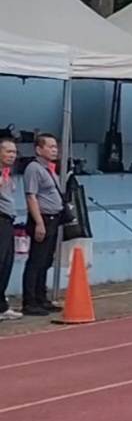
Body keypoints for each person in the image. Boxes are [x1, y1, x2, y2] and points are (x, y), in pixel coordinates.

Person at [22, 133, 64, 317]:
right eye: (50, 146)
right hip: (42, 218)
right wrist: (39, 222)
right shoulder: (34, 168)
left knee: (46, 260)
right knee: (36, 261)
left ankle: (41, 297)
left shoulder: (49, 168)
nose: (54, 150)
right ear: (39, 149)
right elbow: (31, 196)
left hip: (53, 218)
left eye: (55, 146)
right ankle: (30, 301)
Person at [0, 138, 21, 320]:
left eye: (14, 152)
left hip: (8, 221)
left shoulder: (7, 174)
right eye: (8, 151)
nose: (12, 155)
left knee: (7, 263)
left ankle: (1, 305)